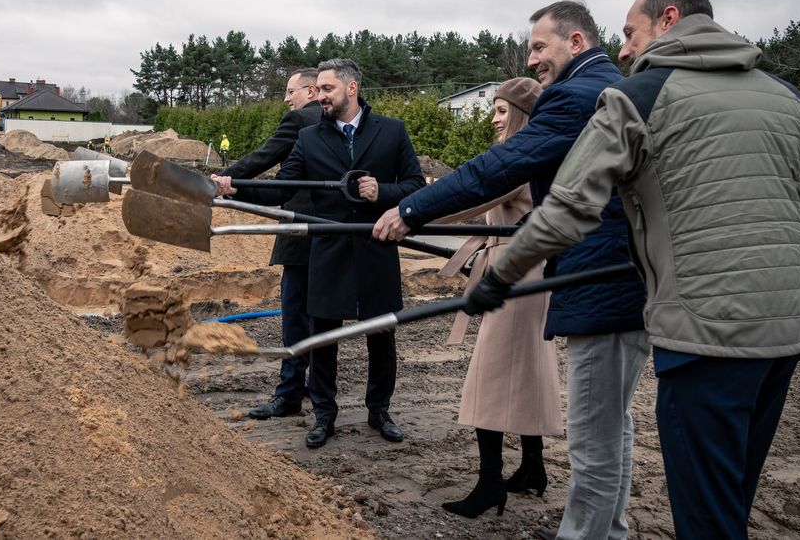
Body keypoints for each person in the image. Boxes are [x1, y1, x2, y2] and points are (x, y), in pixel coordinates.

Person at [468, 0, 800, 540]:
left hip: (704, 333)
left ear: (669, 19)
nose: (621, 50)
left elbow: (569, 208)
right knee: (730, 496)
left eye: (629, 32)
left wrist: (499, 273)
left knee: (704, 515)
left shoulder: (639, 95)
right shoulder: (786, 94)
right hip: (787, 331)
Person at [374, 1, 647, 539]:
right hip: (617, 278)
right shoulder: (616, 89)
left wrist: (410, 210)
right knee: (612, 425)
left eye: (540, 47)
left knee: (594, 434)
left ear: (575, 41)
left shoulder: (577, 96)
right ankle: (593, 521)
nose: (533, 59)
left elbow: (495, 174)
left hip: (589, 278)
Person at [216, 58, 425, 448]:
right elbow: (282, 189)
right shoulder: (310, 137)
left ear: (351, 88)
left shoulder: (392, 132)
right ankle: (324, 415)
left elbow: (415, 183)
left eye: (328, 89)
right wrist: (236, 187)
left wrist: (384, 192)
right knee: (322, 335)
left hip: (375, 248)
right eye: (319, 89)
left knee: (381, 334)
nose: (321, 97)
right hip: (327, 251)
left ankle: (379, 410)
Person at [433, 77, 563, 519]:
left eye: (503, 110)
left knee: (489, 376)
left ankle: (490, 483)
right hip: (525, 271)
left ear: (523, 115)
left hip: (514, 275)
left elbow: (465, 201)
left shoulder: (522, 158)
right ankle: (532, 466)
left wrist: (407, 213)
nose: (494, 118)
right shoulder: (536, 156)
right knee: (527, 369)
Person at [211, 68, 323, 419]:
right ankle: (318, 391)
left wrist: (226, 181)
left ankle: (290, 391)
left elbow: (265, 157)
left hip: (301, 231)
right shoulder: (349, 122)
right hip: (336, 231)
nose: (287, 99)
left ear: (312, 90)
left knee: (295, 315)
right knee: (324, 318)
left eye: (291, 91)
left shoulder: (301, 120)